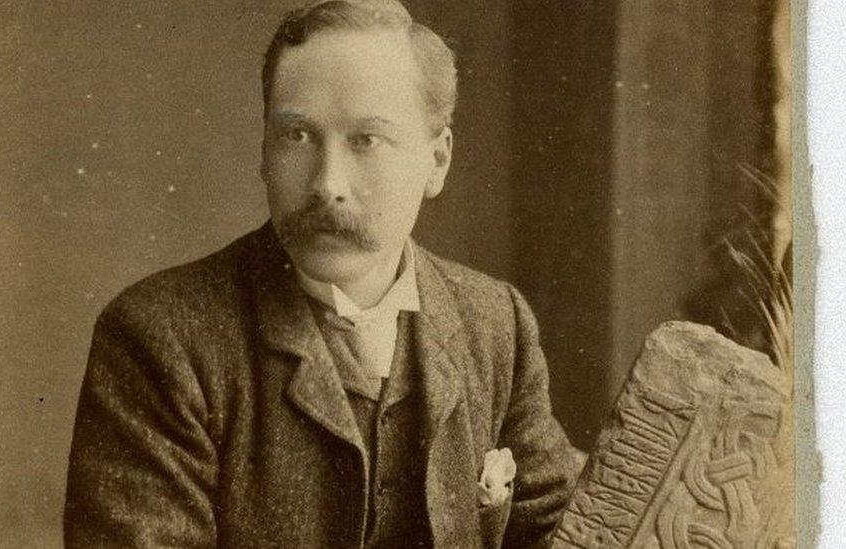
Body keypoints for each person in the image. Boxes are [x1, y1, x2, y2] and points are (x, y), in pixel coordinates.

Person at [63, 1, 584, 547]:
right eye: (297, 136)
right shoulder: (160, 338)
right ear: (264, 149)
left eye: (367, 140)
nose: (327, 182)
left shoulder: (494, 323)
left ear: (437, 161)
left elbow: (564, 527)